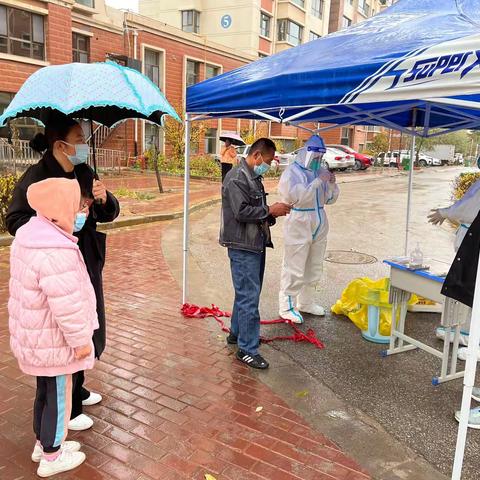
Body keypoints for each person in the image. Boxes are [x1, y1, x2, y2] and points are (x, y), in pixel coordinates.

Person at [6, 114, 120, 432]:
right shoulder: (36, 177)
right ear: (60, 145)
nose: (84, 145)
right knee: (64, 332)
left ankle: (78, 386)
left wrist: (104, 199)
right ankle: (67, 411)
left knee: (87, 325)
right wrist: (56, 224)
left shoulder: (83, 171)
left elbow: (109, 212)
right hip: (57, 268)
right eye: (79, 139)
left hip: (86, 260)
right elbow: (14, 220)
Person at [9, 177, 98, 477]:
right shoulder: (55, 249)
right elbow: (67, 306)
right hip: (56, 342)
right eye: (77, 208)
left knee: (44, 394)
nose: (81, 213)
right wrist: (82, 342)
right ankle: (52, 456)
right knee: (60, 396)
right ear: (59, 210)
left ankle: (42, 443)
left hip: (38, 340)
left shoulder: (29, 236)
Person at [220, 138, 291, 369]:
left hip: (253, 243)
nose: (268, 165)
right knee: (249, 296)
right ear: (257, 155)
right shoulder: (237, 177)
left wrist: (272, 214)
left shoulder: (252, 176)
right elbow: (241, 211)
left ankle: (237, 334)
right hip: (242, 246)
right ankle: (247, 350)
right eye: (268, 161)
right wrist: (270, 210)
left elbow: (255, 211)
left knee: (246, 292)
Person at [278, 135, 339, 324]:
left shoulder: (319, 171)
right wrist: (317, 182)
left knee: (314, 265)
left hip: (319, 220)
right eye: (315, 157)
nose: (318, 161)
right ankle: (286, 307)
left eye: (321, 157)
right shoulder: (292, 173)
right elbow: (296, 199)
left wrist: (331, 183)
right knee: (294, 265)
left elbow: (329, 200)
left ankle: (306, 302)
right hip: (299, 220)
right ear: (306, 153)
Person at [428, 177, 480, 347]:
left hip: (472, 239)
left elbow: (467, 209)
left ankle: (467, 334)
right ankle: (465, 331)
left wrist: (445, 212)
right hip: (468, 236)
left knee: (470, 284)